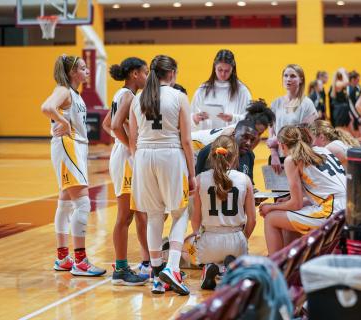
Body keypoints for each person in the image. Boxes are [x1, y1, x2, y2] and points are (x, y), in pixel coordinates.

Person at [129, 55, 196, 295]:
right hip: (170, 154)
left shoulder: (138, 98)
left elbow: (132, 138)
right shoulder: (179, 97)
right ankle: (173, 267)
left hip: (143, 156)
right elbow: (187, 141)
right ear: (172, 73)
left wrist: (139, 163)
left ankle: (157, 277)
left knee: (154, 215)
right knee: (180, 212)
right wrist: (192, 173)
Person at [41, 54, 106, 276]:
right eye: (82, 68)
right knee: (83, 204)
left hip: (73, 147)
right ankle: (80, 261)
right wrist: (63, 122)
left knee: (66, 203)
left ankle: (63, 258)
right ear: (71, 73)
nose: (87, 70)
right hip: (68, 146)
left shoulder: (74, 94)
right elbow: (46, 107)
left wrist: (64, 121)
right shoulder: (64, 89)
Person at [182, 136, 256, 290]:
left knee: (185, 249)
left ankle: (210, 266)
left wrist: (196, 236)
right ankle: (230, 268)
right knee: (240, 257)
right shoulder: (245, 179)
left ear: (212, 155)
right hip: (236, 240)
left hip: (209, 241)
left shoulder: (200, 179)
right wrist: (243, 239)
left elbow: (196, 219)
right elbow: (252, 220)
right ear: (235, 156)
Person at [101, 57, 151, 285]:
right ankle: (120, 269)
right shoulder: (129, 96)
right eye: (145, 72)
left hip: (122, 156)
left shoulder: (121, 94)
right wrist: (131, 148)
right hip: (125, 159)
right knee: (125, 215)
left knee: (140, 213)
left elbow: (107, 123)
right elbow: (113, 125)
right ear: (134, 74)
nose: (147, 77)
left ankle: (149, 261)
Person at [259, 125, 346, 254]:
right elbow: (324, 193)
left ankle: (275, 267)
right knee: (287, 217)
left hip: (333, 211)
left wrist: (270, 207)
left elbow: (296, 204)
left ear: (282, 145)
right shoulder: (323, 150)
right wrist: (286, 202)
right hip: (347, 205)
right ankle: (291, 262)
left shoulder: (291, 159)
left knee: (271, 218)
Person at [268, 64, 318, 174]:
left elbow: (307, 136)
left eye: (292, 76)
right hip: (278, 158)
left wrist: (281, 141)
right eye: (285, 76)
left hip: (298, 158)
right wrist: (274, 155)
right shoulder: (275, 103)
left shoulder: (307, 104)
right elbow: (271, 135)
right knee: (278, 191)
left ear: (301, 79)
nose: (288, 79)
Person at [191, 99, 275, 158]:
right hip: (194, 144)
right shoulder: (229, 133)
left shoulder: (255, 139)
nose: (256, 135)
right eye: (256, 130)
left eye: (260, 133)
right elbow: (215, 156)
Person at [191, 49, 252, 130]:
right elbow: (190, 115)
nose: (223, 74)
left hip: (231, 140)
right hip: (206, 138)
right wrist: (195, 118)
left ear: (232, 70)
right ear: (214, 68)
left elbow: (250, 119)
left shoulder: (242, 91)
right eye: (220, 70)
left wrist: (233, 118)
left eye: (227, 71)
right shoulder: (203, 89)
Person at [196, 119, 258, 183]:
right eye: (245, 137)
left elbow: (250, 184)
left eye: (252, 140)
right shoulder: (210, 151)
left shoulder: (249, 155)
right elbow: (197, 182)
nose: (248, 143)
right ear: (234, 134)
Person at [330, 68, 352, 133]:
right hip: (340, 110)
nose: (347, 75)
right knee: (339, 130)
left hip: (344, 109)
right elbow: (347, 82)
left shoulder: (341, 83)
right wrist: (343, 72)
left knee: (345, 130)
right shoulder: (338, 83)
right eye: (346, 73)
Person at [347, 70, 361, 136]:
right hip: (351, 114)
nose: (359, 82)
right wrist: (357, 116)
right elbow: (350, 104)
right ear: (353, 79)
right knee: (354, 135)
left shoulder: (358, 87)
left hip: (359, 113)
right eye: (357, 80)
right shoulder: (348, 89)